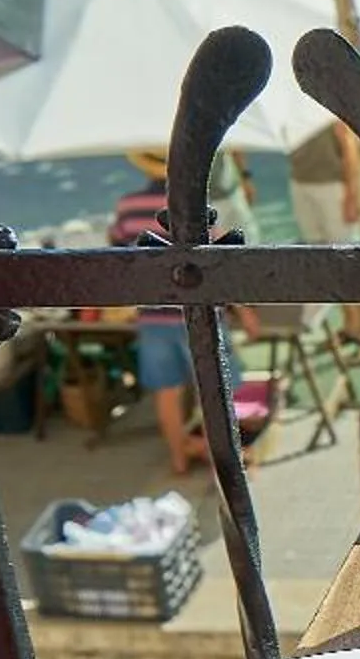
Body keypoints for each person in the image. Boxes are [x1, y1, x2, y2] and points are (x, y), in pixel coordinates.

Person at [110, 152, 257, 475]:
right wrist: (244, 311)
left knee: (167, 392)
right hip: (199, 315)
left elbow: (120, 260)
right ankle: (221, 458)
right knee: (214, 390)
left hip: (153, 317)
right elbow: (221, 262)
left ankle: (178, 457)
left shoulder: (127, 207)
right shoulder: (195, 209)